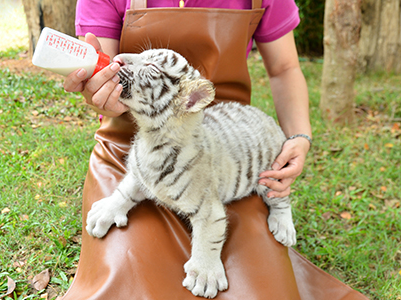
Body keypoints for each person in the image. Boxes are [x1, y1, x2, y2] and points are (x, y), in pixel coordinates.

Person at [60, 0, 369, 299]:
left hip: (225, 150)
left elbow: (284, 67)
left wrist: (299, 137)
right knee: (131, 287)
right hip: (126, 143)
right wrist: (100, 89)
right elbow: (112, 70)